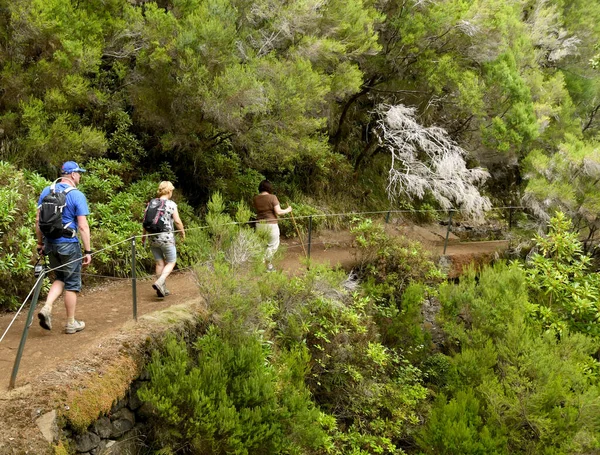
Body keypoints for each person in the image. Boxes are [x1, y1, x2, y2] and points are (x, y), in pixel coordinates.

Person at [36, 161, 92, 334]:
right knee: (72, 284)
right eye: (79, 173)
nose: (80, 176)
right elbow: (82, 226)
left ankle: (47, 307)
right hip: (69, 244)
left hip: (50, 243)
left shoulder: (47, 191)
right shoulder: (77, 195)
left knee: (60, 277)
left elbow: (38, 221)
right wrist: (88, 250)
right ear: (73, 174)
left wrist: (40, 243)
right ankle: (70, 323)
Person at [142, 181, 185, 297]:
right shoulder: (171, 204)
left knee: (159, 263)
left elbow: (145, 220)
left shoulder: (151, 203)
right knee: (171, 261)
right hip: (166, 238)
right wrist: (182, 232)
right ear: (169, 191)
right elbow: (177, 221)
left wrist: (143, 236)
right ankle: (160, 282)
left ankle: (162, 289)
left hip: (152, 238)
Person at [252, 180, 292, 271]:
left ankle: (266, 266)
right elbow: (278, 212)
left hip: (259, 224)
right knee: (273, 245)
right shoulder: (272, 197)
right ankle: (265, 263)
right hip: (271, 224)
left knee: (262, 245)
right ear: (269, 188)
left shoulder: (256, 198)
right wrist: (288, 210)